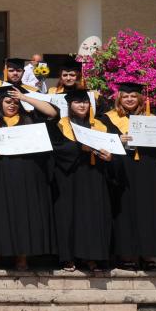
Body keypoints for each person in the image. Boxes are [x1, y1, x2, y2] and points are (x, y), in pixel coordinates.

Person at [97, 82, 156, 270]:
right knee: (124, 210)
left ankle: (147, 253)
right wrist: (116, 139)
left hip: (148, 170)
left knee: (149, 210)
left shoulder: (153, 120)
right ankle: (126, 254)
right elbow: (100, 144)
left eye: (133, 96)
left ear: (140, 98)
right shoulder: (106, 119)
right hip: (121, 170)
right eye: (125, 96)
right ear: (119, 98)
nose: (129, 99)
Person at [0, 86, 59, 271]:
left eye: (15, 102)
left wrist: (24, 98)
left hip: (27, 175)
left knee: (24, 215)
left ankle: (22, 256)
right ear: (0, 103)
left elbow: (52, 112)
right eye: (8, 101)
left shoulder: (30, 119)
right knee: (0, 215)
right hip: (0, 175)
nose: (12, 105)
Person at [51, 88, 114, 272]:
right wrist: (80, 148)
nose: (82, 105)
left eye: (85, 102)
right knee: (67, 216)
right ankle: (68, 257)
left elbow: (112, 147)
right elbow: (56, 149)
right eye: (78, 102)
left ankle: (91, 257)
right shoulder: (61, 125)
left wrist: (110, 157)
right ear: (69, 105)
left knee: (91, 216)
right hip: (68, 176)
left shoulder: (99, 125)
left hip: (94, 176)